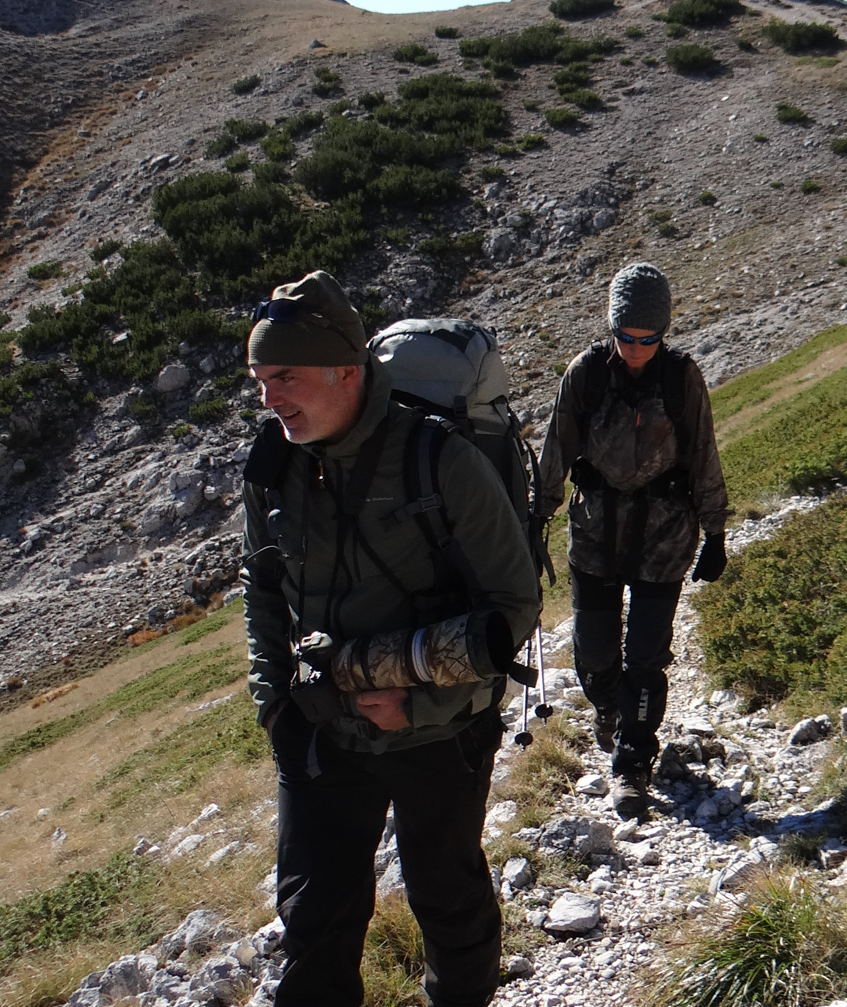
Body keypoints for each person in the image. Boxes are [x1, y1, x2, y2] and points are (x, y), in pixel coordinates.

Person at [238, 271, 540, 1007]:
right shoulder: (275, 463)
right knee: (314, 922)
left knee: (446, 900)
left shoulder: (439, 460)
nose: (270, 398)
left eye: (286, 377)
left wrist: (421, 707)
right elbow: (262, 585)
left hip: (437, 733)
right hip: (317, 727)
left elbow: (512, 607)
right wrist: (272, 703)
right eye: (258, 380)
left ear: (347, 371)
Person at [533, 262, 728, 820]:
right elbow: (555, 452)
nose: (637, 347)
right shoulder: (586, 375)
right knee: (594, 658)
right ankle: (608, 706)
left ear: (664, 333)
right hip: (595, 535)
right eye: (626, 336)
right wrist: (534, 521)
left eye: (649, 338)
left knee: (646, 656)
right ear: (611, 327)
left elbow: (704, 453)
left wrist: (715, 531)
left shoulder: (680, 377)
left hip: (665, 539)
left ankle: (633, 763)